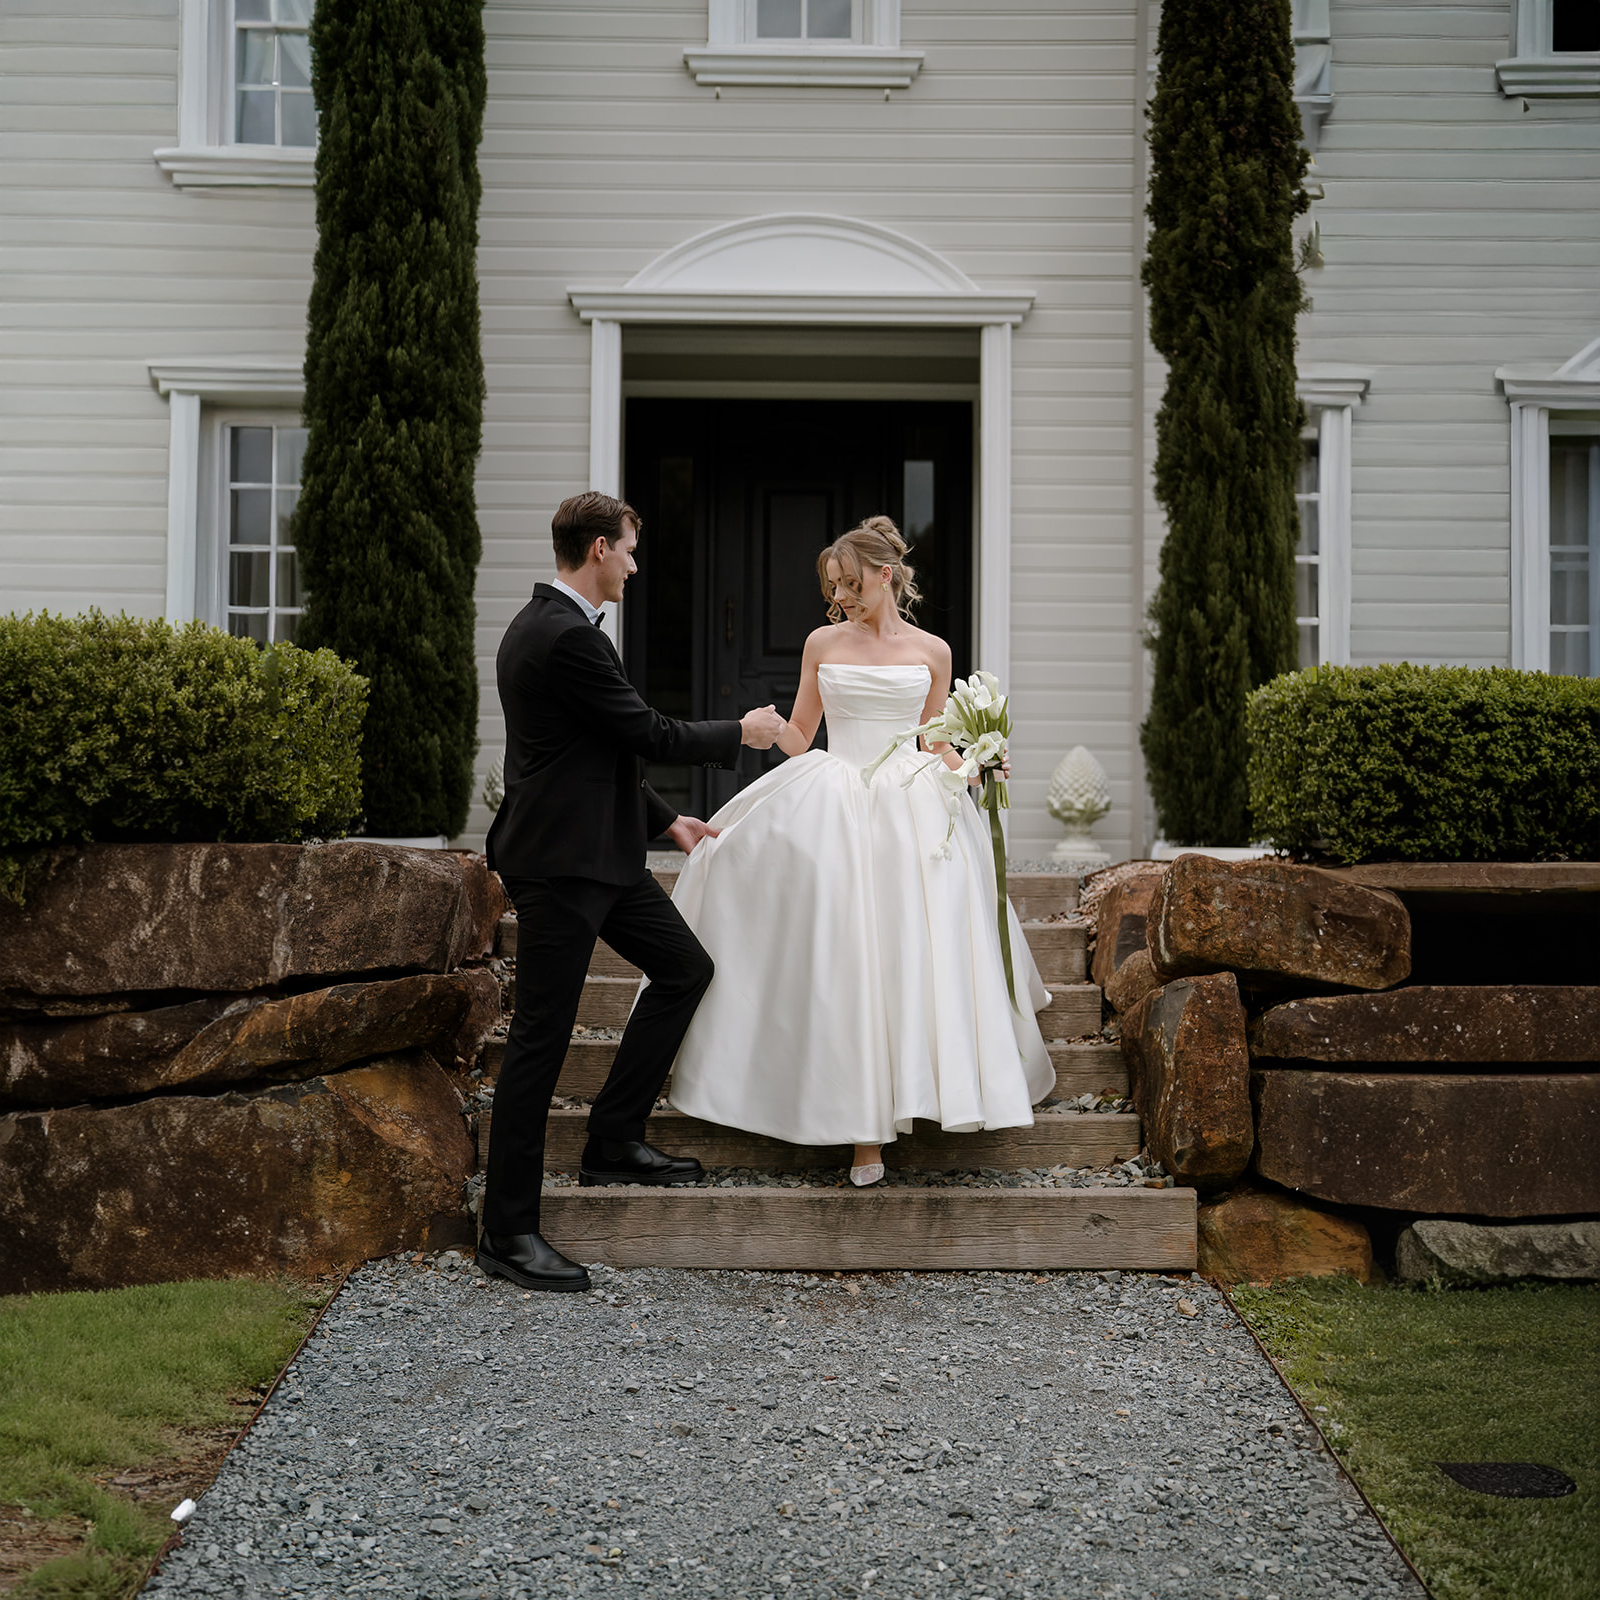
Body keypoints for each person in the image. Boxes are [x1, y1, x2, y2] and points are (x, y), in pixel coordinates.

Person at [665, 516, 1055, 1185]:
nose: (841, 597)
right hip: (837, 797)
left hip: (912, 802)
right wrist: (757, 732)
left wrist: (978, 766)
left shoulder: (934, 652)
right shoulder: (822, 642)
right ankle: (862, 1133)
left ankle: (926, 1095)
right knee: (847, 956)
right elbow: (801, 734)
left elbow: (935, 742)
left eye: (851, 585)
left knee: (909, 955)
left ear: (886, 574)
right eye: (834, 587)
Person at [479, 490, 785, 1292]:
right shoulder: (557, 634)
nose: (637, 565)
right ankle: (507, 1230)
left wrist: (667, 820)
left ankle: (612, 1138)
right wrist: (741, 735)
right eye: (630, 550)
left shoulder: (560, 628)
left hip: (604, 857)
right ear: (598, 551)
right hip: (559, 866)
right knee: (540, 1043)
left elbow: (598, 751)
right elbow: (646, 731)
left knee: (686, 968)